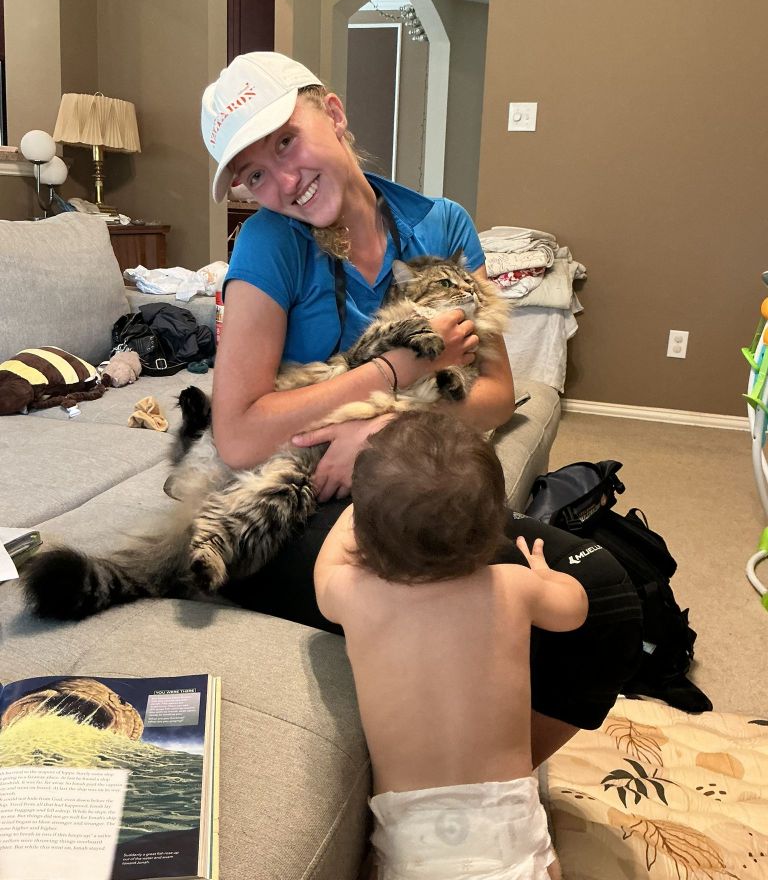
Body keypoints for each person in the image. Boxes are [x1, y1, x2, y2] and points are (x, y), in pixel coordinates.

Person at [201, 51, 643, 768]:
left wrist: (387, 427)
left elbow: (495, 393)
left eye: (285, 142)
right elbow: (239, 433)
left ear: (334, 113)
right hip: (297, 503)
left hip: (409, 483)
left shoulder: (441, 225)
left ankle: (485, 786)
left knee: (605, 595)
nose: (280, 183)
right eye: (253, 175)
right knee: (449, 603)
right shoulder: (268, 242)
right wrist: (393, 371)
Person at [314, 410, 588, 880]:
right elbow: (575, 608)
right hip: (510, 832)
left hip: (413, 845)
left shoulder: (352, 595)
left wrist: (355, 512)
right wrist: (545, 575)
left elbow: (325, 570)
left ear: (364, 532)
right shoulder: (513, 586)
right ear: (494, 525)